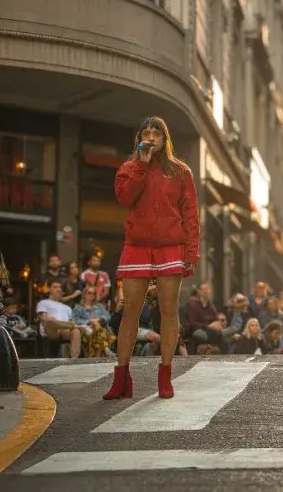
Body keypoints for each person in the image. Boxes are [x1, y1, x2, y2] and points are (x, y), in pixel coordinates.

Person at [103, 116, 199, 400]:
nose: (151, 136)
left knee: (169, 310)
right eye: (146, 132)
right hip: (137, 245)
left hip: (171, 246)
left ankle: (165, 375)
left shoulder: (181, 172)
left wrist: (190, 252)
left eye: (156, 132)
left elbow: (191, 215)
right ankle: (121, 378)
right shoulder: (129, 168)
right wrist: (142, 166)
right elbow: (125, 198)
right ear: (140, 138)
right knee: (130, 310)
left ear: (165, 138)